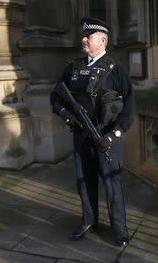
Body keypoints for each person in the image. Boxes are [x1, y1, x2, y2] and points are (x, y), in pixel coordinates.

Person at [50, 17, 135, 247]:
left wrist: (115, 134)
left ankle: (119, 228)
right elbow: (55, 99)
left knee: (112, 183)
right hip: (82, 136)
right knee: (84, 181)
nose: (84, 39)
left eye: (90, 37)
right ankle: (89, 220)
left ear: (103, 40)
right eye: (84, 36)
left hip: (107, 137)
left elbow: (129, 107)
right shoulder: (73, 67)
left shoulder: (116, 70)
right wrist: (70, 117)